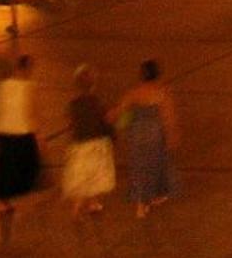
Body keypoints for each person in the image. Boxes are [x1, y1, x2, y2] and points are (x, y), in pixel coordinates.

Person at [116, 59, 178, 218]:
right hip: (155, 135)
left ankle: (141, 204)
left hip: (137, 135)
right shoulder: (162, 92)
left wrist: (123, 131)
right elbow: (168, 117)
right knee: (154, 167)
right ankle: (151, 197)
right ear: (157, 75)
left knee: (139, 168)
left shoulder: (133, 93)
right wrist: (172, 136)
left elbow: (123, 115)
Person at [0, 55, 40, 242]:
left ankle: (4, 203)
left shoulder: (2, 85)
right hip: (21, 131)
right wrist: (38, 134)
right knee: (30, 165)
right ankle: (26, 196)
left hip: (2, 131)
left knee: (4, 168)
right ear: (26, 69)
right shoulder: (29, 87)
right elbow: (31, 111)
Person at [62, 65, 116, 219]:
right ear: (93, 84)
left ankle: (78, 206)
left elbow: (70, 125)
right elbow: (105, 121)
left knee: (81, 176)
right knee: (94, 175)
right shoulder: (97, 102)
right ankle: (93, 203)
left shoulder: (73, 104)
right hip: (96, 144)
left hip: (79, 144)